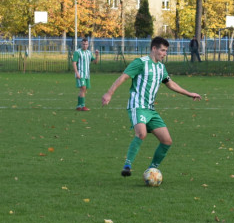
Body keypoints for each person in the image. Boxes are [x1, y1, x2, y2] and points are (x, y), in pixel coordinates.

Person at [101, 36, 202, 178]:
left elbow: (170, 84)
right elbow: (123, 77)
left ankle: (152, 170)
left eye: (166, 51)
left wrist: (188, 93)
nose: (164, 54)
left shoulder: (161, 68)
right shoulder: (140, 63)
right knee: (141, 134)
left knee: (167, 141)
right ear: (154, 49)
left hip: (150, 109)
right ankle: (127, 165)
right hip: (137, 106)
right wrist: (109, 93)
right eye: (162, 50)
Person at [73, 37, 94, 111]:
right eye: (83, 44)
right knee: (83, 88)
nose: (85, 45)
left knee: (83, 90)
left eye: (86, 44)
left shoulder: (89, 53)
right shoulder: (77, 52)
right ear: (81, 44)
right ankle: (83, 106)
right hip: (80, 74)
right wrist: (77, 73)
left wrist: (97, 55)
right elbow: (74, 63)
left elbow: (95, 62)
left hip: (87, 75)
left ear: (88, 45)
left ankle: (79, 106)